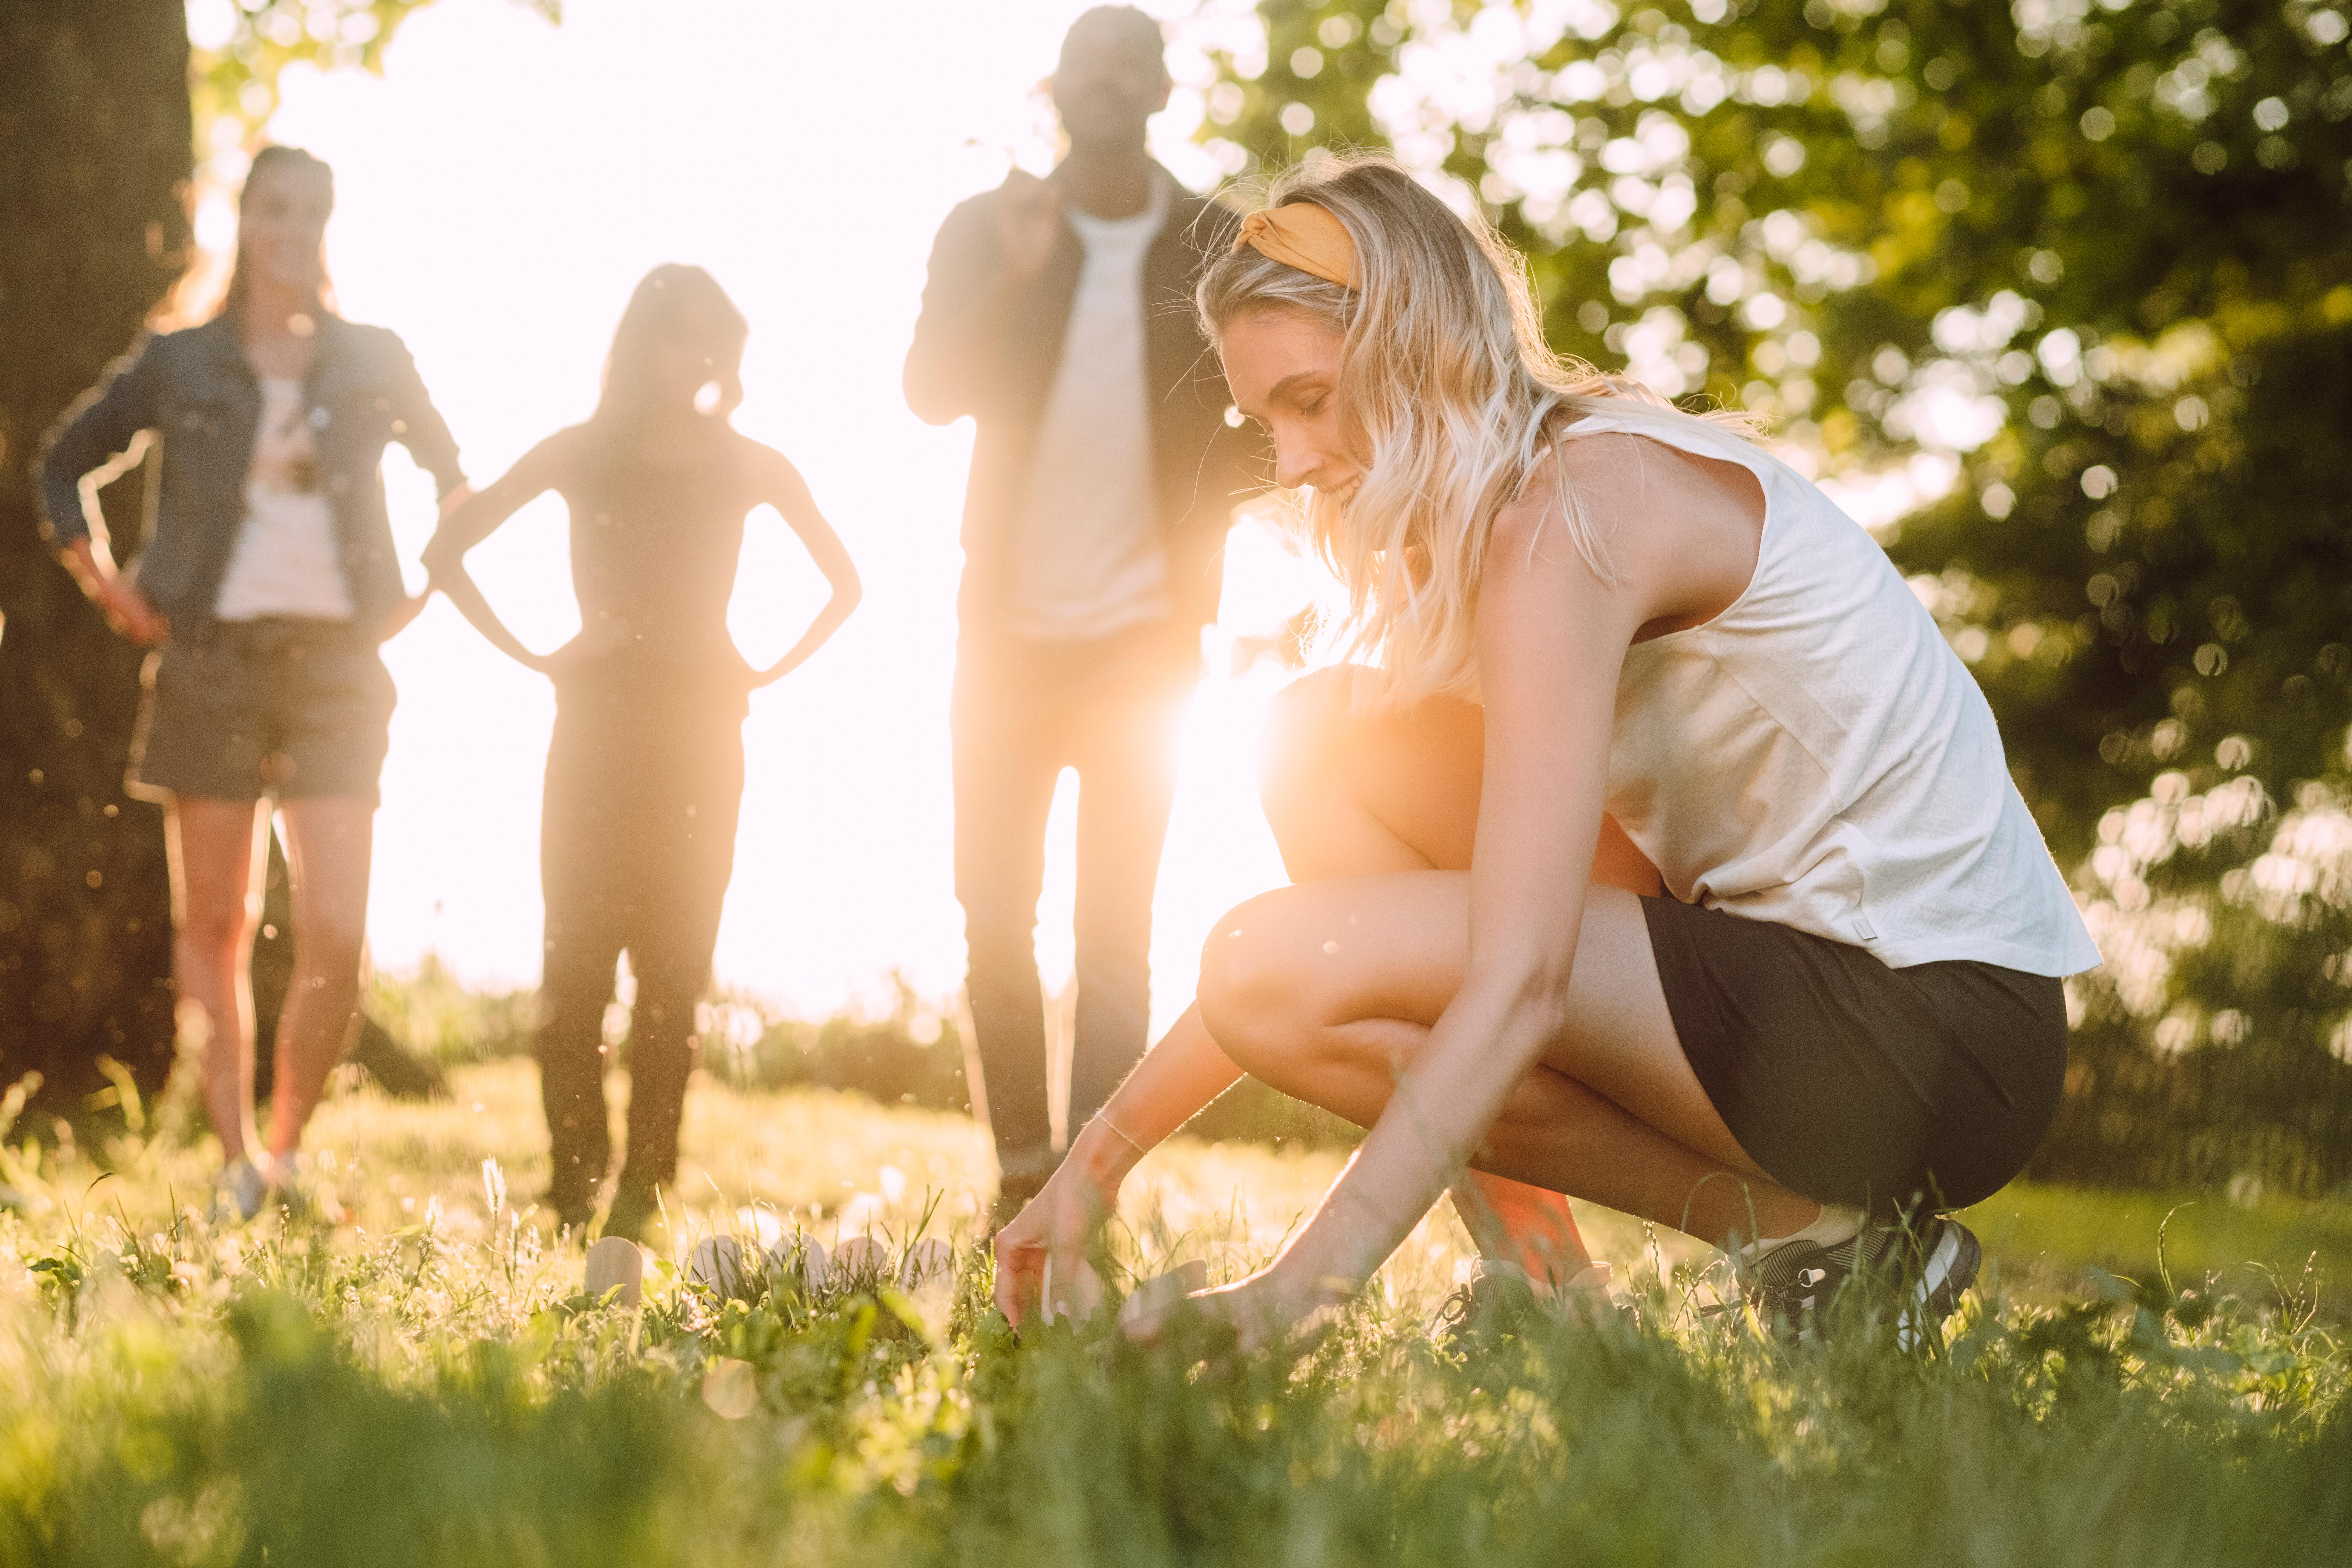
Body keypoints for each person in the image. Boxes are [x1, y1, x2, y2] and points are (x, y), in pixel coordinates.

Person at [994, 154, 2102, 1346]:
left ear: (1418, 346)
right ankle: (1580, 1285)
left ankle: (1815, 1243)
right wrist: (1094, 1165)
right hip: (1802, 985)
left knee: (1276, 966)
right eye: (1266, 420)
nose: (1297, 461)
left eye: (1309, 401)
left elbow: (1513, 976)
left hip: (1931, 1030)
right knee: (1322, 745)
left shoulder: (1578, 513)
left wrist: (1294, 1294)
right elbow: (1375, 941)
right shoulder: (1519, 512)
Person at [36, 145, 467, 1222]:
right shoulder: (180, 361)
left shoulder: (376, 357)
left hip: (336, 670)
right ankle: (238, 1164)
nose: (295, 227)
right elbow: (62, 463)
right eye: (276, 208)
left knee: (334, 931)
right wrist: (105, 583)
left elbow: (456, 480)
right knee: (217, 926)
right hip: (211, 663)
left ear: (328, 225)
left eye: (314, 210)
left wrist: (423, 589)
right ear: (246, 220)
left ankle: (287, 1149)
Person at [903, 5, 1257, 1223]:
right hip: (1002, 637)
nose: (1102, 84)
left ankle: (1089, 1182)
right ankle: (1018, 1165)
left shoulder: (1217, 242)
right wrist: (1010, 270)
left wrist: (1207, 530)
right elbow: (930, 392)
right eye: (1084, 65)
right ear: (1055, 87)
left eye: (1129, 66)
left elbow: (1264, 423)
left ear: (1161, 92)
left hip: (1146, 651)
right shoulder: (995, 226)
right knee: (993, 913)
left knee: (1118, 930)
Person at [423, 265, 860, 1240]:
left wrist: (761, 674)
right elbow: (446, 556)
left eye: (711, 337)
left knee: (674, 973)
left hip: (707, 736)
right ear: (639, 343)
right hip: (593, 730)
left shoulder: (752, 464)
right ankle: (573, 1184)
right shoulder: (581, 452)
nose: (695, 356)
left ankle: (645, 1187)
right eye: (677, 334)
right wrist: (539, 654)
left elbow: (846, 586)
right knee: (574, 966)